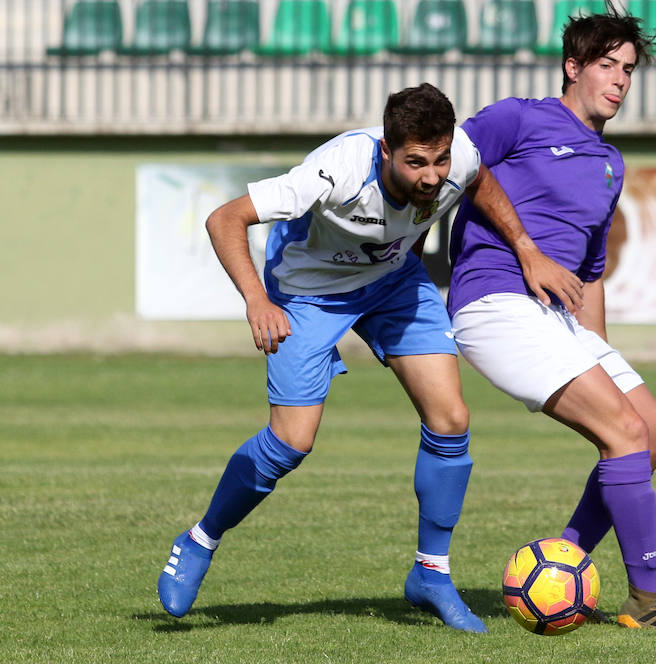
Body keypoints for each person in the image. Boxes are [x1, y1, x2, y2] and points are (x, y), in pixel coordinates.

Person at [156, 83, 578, 632]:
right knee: (291, 443)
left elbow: (479, 179)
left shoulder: (460, 159)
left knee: (451, 419)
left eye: (440, 158)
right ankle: (200, 539)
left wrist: (526, 249)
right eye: (415, 162)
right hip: (307, 292)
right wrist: (256, 301)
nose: (432, 176)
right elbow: (224, 218)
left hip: (393, 282)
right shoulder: (336, 171)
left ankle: (432, 574)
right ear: (386, 151)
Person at [448, 8, 656, 629]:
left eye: (628, 70)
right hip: (495, 302)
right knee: (622, 432)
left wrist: (597, 350)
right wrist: (526, 251)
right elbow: (451, 167)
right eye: (606, 65)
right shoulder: (517, 117)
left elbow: (590, 271)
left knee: (652, 432)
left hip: (558, 321)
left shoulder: (610, 164)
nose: (620, 80)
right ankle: (648, 601)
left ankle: (561, 565)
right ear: (573, 66)